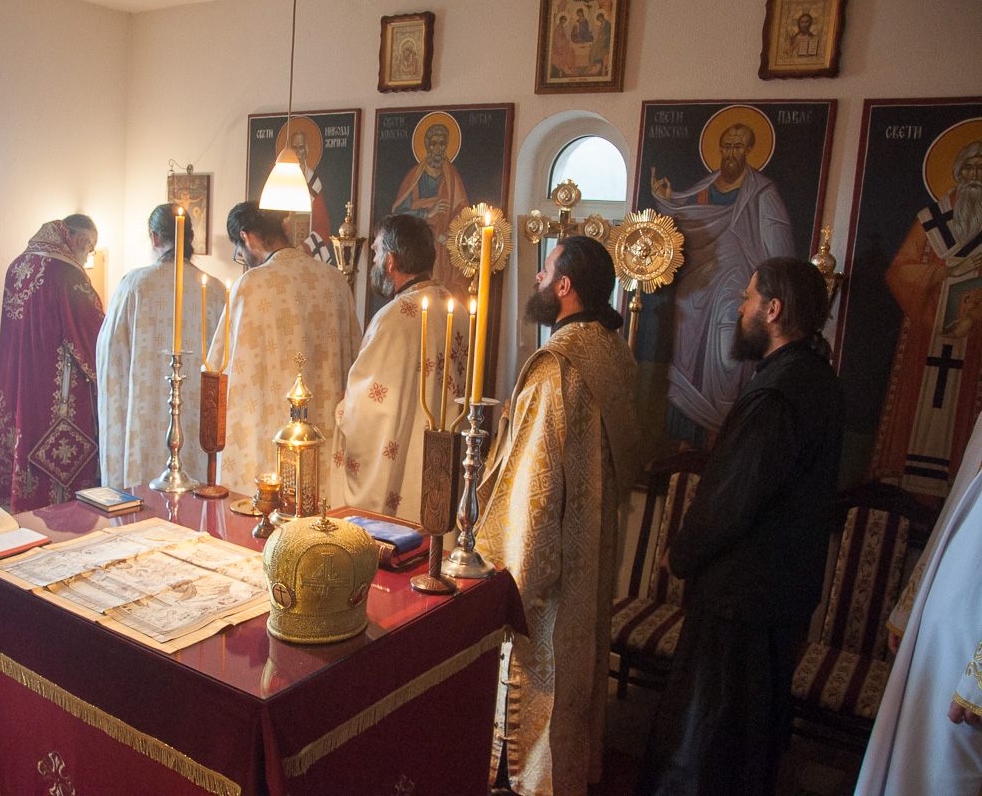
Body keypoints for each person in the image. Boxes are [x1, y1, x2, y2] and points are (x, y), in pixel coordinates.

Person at [635, 257, 844, 796]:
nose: (740, 306)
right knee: (748, 736)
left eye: (749, 298)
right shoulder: (814, 377)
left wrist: (682, 553)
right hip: (775, 592)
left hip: (742, 597)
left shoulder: (778, 392)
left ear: (773, 310)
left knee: (709, 736)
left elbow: (732, 494)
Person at [475, 235, 641, 796]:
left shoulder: (557, 364)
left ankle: (535, 780)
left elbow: (534, 480)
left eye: (545, 272)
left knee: (543, 668)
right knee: (583, 658)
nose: (538, 281)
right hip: (596, 539)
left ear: (565, 286)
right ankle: (574, 771)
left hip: (555, 554)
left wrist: (511, 569)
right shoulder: (614, 350)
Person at [852, 411, 982, 795]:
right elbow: (959, 504)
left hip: (969, 649)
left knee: (942, 775)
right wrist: (911, 605)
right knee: (905, 766)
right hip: (940, 625)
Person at [650, 122, 797, 440]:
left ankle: (721, 428)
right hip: (701, 276)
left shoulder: (761, 192)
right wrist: (664, 201)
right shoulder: (706, 186)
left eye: (738, 147)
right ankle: (687, 431)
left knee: (729, 327)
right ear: (719, 149)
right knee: (685, 315)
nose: (731, 153)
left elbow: (778, 247)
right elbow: (684, 218)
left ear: (749, 150)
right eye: (727, 146)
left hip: (740, 281)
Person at [206, 201, 360, 497]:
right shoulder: (335, 281)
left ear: (246, 237)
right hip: (322, 434)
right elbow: (354, 361)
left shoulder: (249, 285)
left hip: (264, 435)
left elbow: (216, 369)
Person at [326, 214, 468, 521]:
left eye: (376, 253)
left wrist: (342, 407)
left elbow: (369, 408)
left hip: (403, 463)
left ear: (391, 261)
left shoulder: (394, 317)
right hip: (443, 462)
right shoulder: (456, 309)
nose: (374, 262)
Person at [868, 141, 982, 499]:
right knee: (921, 405)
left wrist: (973, 311)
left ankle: (953, 492)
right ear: (957, 173)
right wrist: (945, 270)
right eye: (969, 168)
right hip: (927, 332)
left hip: (974, 339)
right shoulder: (930, 220)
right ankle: (902, 488)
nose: (975, 175)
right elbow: (898, 271)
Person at [0, 215, 104, 513]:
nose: (87, 258)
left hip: (19, 387)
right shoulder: (67, 274)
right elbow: (96, 338)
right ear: (80, 241)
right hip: (55, 399)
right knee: (60, 485)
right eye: (89, 250)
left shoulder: (17, 265)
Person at [96, 204, 222, 490]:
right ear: (190, 238)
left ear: (155, 238)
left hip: (143, 413)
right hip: (198, 411)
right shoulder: (214, 289)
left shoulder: (135, 284)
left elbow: (109, 354)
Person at [392, 122, 470, 304]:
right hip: (419, 244)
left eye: (442, 144)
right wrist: (426, 213)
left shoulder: (451, 175)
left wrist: (449, 234)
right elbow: (399, 214)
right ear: (427, 146)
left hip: (443, 244)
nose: (437, 149)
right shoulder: (415, 175)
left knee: (444, 293)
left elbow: (462, 210)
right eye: (433, 144)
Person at [289, 129, 333, 263]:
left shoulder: (313, 183)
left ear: (306, 151)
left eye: (301, 148)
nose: (297, 153)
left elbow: (323, 228)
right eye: (294, 148)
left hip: (305, 257)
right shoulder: (279, 182)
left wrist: (305, 247)